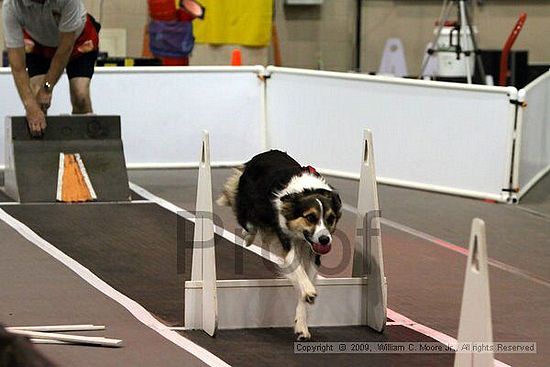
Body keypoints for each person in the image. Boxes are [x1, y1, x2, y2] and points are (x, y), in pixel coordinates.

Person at [2, 0, 100, 136]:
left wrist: (47, 88)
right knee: (36, 99)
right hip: (38, 43)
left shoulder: (68, 2)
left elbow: (65, 48)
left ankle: (85, 148)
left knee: (80, 95)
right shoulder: (11, 7)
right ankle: (39, 149)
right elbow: (17, 65)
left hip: (77, 41)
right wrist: (30, 106)